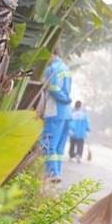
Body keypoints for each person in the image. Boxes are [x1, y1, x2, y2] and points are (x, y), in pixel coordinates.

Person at [41, 51, 72, 182]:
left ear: (50, 54)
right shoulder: (65, 68)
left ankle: (52, 173)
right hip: (66, 113)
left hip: (55, 111)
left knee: (48, 143)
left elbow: (53, 89)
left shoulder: (52, 69)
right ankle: (58, 173)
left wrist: (64, 99)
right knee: (59, 148)